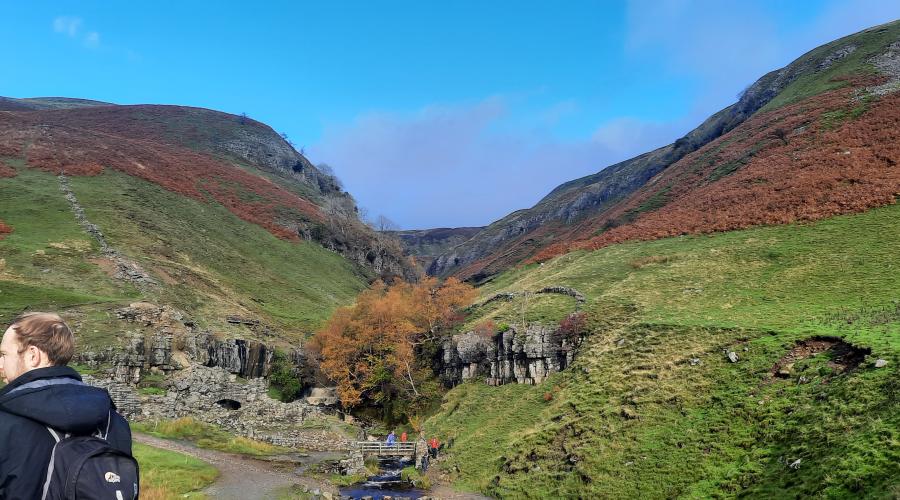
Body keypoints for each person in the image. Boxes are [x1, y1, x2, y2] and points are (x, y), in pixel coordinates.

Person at [0, 312, 133, 499]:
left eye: (4, 354)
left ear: (32, 355)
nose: (0, 365)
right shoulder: (115, 423)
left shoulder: (5, 423)